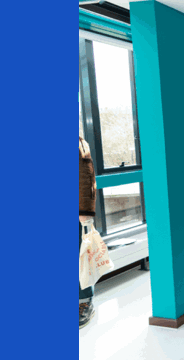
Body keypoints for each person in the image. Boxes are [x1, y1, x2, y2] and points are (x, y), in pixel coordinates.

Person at [79, 136, 97, 329]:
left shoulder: (79, 144)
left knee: (82, 259)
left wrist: (85, 213)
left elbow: (87, 179)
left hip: (77, 214)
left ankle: (85, 302)